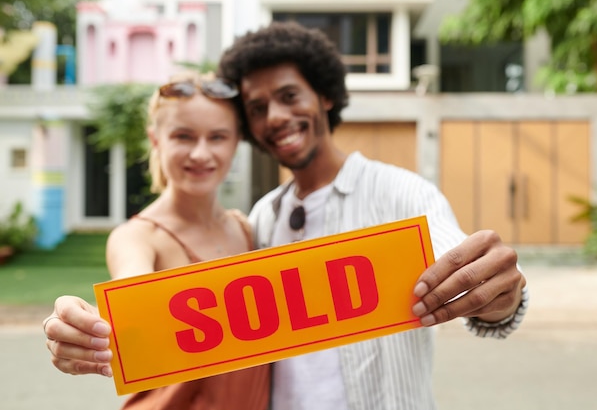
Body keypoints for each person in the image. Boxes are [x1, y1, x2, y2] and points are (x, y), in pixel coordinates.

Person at [44, 22, 528, 410]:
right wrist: (85, 330)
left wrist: (500, 297)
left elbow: (467, 272)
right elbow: (136, 306)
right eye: (257, 107)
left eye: (289, 96)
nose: (274, 116)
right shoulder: (263, 217)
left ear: (326, 96)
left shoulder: (400, 191)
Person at [44, 70, 269, 410]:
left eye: (218, 137)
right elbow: (131, 298)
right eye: (184, 136)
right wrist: (81, 325)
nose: (201, 153)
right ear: (156, 140)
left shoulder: (248, 229)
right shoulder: (138, 236)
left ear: (236, 142)